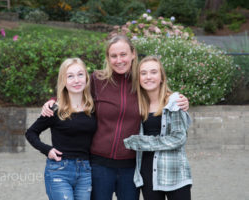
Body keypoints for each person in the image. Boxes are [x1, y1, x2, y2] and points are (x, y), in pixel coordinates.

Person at [41, 35, 189, 200]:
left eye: (123, 54)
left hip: (130, 167)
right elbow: (73, 90)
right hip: (99, 165)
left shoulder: (140, 82)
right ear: (108, 58)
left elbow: (158, 92)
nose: (119, 60)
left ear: (133, 54)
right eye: (114, 56)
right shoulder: (97, 80)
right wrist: (53, 101)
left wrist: (178, 99)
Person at [25, 58, 97, 200]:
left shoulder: (93, 107)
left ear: (86, 77)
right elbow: (31, 132)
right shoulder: (55, 108)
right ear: (63, 81)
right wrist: (47, 150)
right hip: (59, 171)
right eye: (70, 76)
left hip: (85, 171)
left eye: (80, 74)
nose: (76, 80)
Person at [124, 56, 192, 200]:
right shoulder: (137, 104)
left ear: (161, 77)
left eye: (153, 72)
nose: (148, 77)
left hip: (174, 172)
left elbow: (179, 138)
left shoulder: (174, 101)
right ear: (139, 79)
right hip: (148, 173)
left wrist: (142, 143)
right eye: (143, 73)